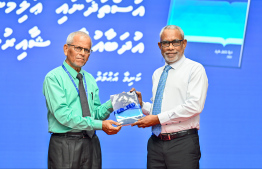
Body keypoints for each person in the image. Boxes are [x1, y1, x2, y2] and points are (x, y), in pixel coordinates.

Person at [131, 25, 208, 169]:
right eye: (166, 43)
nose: (170, 47)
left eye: (175, 42)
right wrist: (142, 105)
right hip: (156, 144)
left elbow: (194, 106)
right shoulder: (157, 73)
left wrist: (158, 119)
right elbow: (159, 108)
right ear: (160, 46)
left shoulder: (195, 69)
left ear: (184, 44)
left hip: (182, 144)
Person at [43, 31, 122, 169]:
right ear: (66, 49)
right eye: (78, 48)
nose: (82, 53)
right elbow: (64, 116)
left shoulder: (89, 79)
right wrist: (100, 125)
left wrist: (115, 102)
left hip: (91, 142)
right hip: (65, 143)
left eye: (87, 50)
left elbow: (95, 114)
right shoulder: (54, 77)